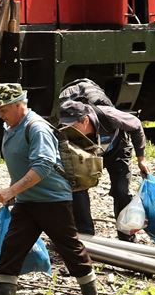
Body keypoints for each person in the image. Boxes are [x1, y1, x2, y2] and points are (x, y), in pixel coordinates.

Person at [0, 83, 100, 295]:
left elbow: (42, 166)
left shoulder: (37, 128)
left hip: (52, 201)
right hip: (28, 200)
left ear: (19, 105)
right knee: (11, 248)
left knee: (69, 247)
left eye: (3, 109)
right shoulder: (12, 127)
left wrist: (12, 190)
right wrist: (17, 193)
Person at [58, 97, 150, 241]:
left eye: (72, 126)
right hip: (87, 155)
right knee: (78, 188)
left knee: (121, 191)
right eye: (65, 125)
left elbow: (136, 125)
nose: (68, 129)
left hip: (117, 151)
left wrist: (141, 159)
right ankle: (85, 236)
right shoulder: (65, 128)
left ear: (85, 120)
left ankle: (126, 235)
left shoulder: (109, 116)